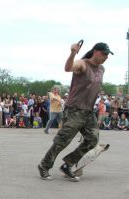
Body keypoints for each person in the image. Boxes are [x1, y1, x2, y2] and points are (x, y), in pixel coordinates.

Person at [38, 42, 113, 181]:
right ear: (96, 52)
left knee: (93, 140)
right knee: (62, 141)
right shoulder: (82, 64)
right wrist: (73, 53)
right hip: (74, 110)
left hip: (88, 111)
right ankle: (44, 165)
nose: (106, 57)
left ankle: (68, 164)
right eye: (104, 54)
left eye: (108, 55)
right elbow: (68, 68)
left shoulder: (102, 69)